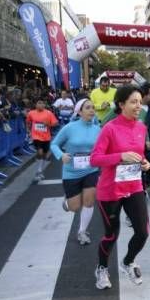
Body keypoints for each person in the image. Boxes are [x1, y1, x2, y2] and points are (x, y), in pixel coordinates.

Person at [90, 85, 150, 290]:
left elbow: (138, 154)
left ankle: (128, 261)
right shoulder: (110, 128)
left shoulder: (142, 127)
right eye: (133, 102)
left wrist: (145, 163)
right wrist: (120, 156)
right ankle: (102, 268)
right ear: (121, 104)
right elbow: (95, 159)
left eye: (140, 101)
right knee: (111, 235)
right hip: (110, 191)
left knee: (143, 232)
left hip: (133, 186)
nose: (138, 105)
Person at [50, 99, 100, 245]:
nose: (92, 110)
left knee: (89, 202)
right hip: (71, 172)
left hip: (91, 170)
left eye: (93, 107)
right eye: (88, 108)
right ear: (79, 111)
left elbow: (103, 148)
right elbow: (54, 144)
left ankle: (82, 232)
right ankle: (67, 202)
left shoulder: (98, 129)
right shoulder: (70, 128)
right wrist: (61, 155)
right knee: (74, 207)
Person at [26, 97, 58, 182]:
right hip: (36, 136)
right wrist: (29, 131)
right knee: (39, 152)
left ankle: (40, 170)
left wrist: (49, 124)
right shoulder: (31, 113)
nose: (40, 105)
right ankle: (38, 171)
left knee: (45, 155)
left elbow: (55, 123)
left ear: (44, 104)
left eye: (42, 103)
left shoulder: (49, 113)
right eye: (38, 103)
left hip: (46, 137)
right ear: (35, 105)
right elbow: (28, 122)